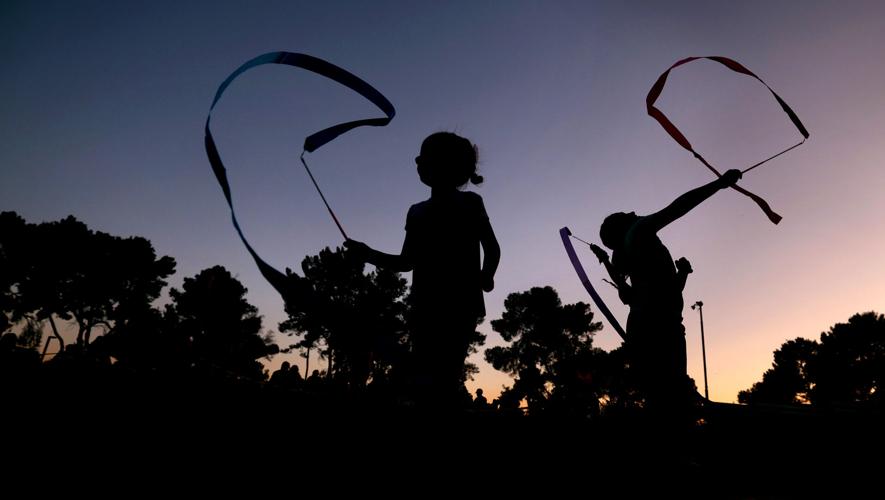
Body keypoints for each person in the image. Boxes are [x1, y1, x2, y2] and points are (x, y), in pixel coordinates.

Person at [346, 132, 500, 408]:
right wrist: (367, 253)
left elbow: (492, 247)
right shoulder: (415, 212)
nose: (417, 163)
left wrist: (487, 275)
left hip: (461, 302)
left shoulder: (470, 203)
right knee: (427, 378)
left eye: (423, 158)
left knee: (445, 375)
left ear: (446, 164)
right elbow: (407, 262)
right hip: (424, 304)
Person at [592, 169, 742, 423]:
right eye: (627, 215)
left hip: (651, 326)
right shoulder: (638, 230)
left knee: (661, 398)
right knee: (671, 400)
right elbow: (678, 208)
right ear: (622, 226)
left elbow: (634, 296)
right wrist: (719, 183)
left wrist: (682, 273)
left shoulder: (628, 255)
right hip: (662, 327)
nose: (634, 213)